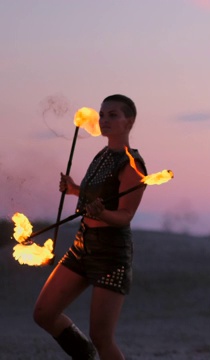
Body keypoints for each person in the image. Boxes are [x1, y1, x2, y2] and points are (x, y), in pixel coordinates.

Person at [33, 94, 147, 360]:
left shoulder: (133, 165)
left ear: (129, 121)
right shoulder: (102, 155)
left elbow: (125, 216)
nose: (104, 120)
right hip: (82, 246)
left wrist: (103, 213)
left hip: (110, 254)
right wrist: (74, 189)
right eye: (102, 114)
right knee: (44, 313)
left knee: (102, 337)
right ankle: (84, 355)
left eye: (113, 115)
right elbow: (94, 195)